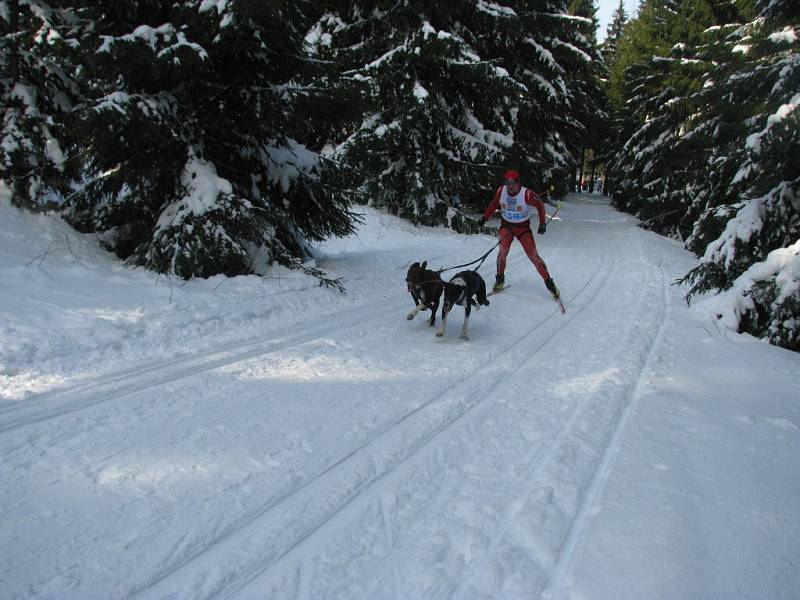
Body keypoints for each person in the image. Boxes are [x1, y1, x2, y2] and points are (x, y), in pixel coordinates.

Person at [478, 169, 560, 300]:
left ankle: (549, 283)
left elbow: (539, 205)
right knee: (502, 252)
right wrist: (485, 217)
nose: (509, 186)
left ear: (518, 182)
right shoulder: (501, 191)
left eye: (512, 183)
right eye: (507, 183)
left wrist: (542, 223)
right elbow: (494, 203)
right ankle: (499, 280)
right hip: (507, 227)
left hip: (523, 229)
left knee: (533, 256)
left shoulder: (526, 194)